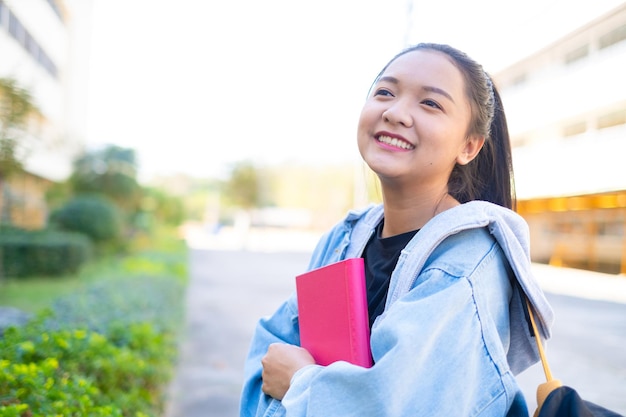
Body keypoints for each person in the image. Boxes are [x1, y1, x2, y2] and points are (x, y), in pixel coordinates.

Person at [239, 42, 554, 416]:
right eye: (385, 92)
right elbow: (270, 353)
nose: (396, 112)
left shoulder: (463, 268)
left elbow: (390, 405)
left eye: (430, 103)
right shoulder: (344, 239)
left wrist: (301, 384)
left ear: (469, 146)